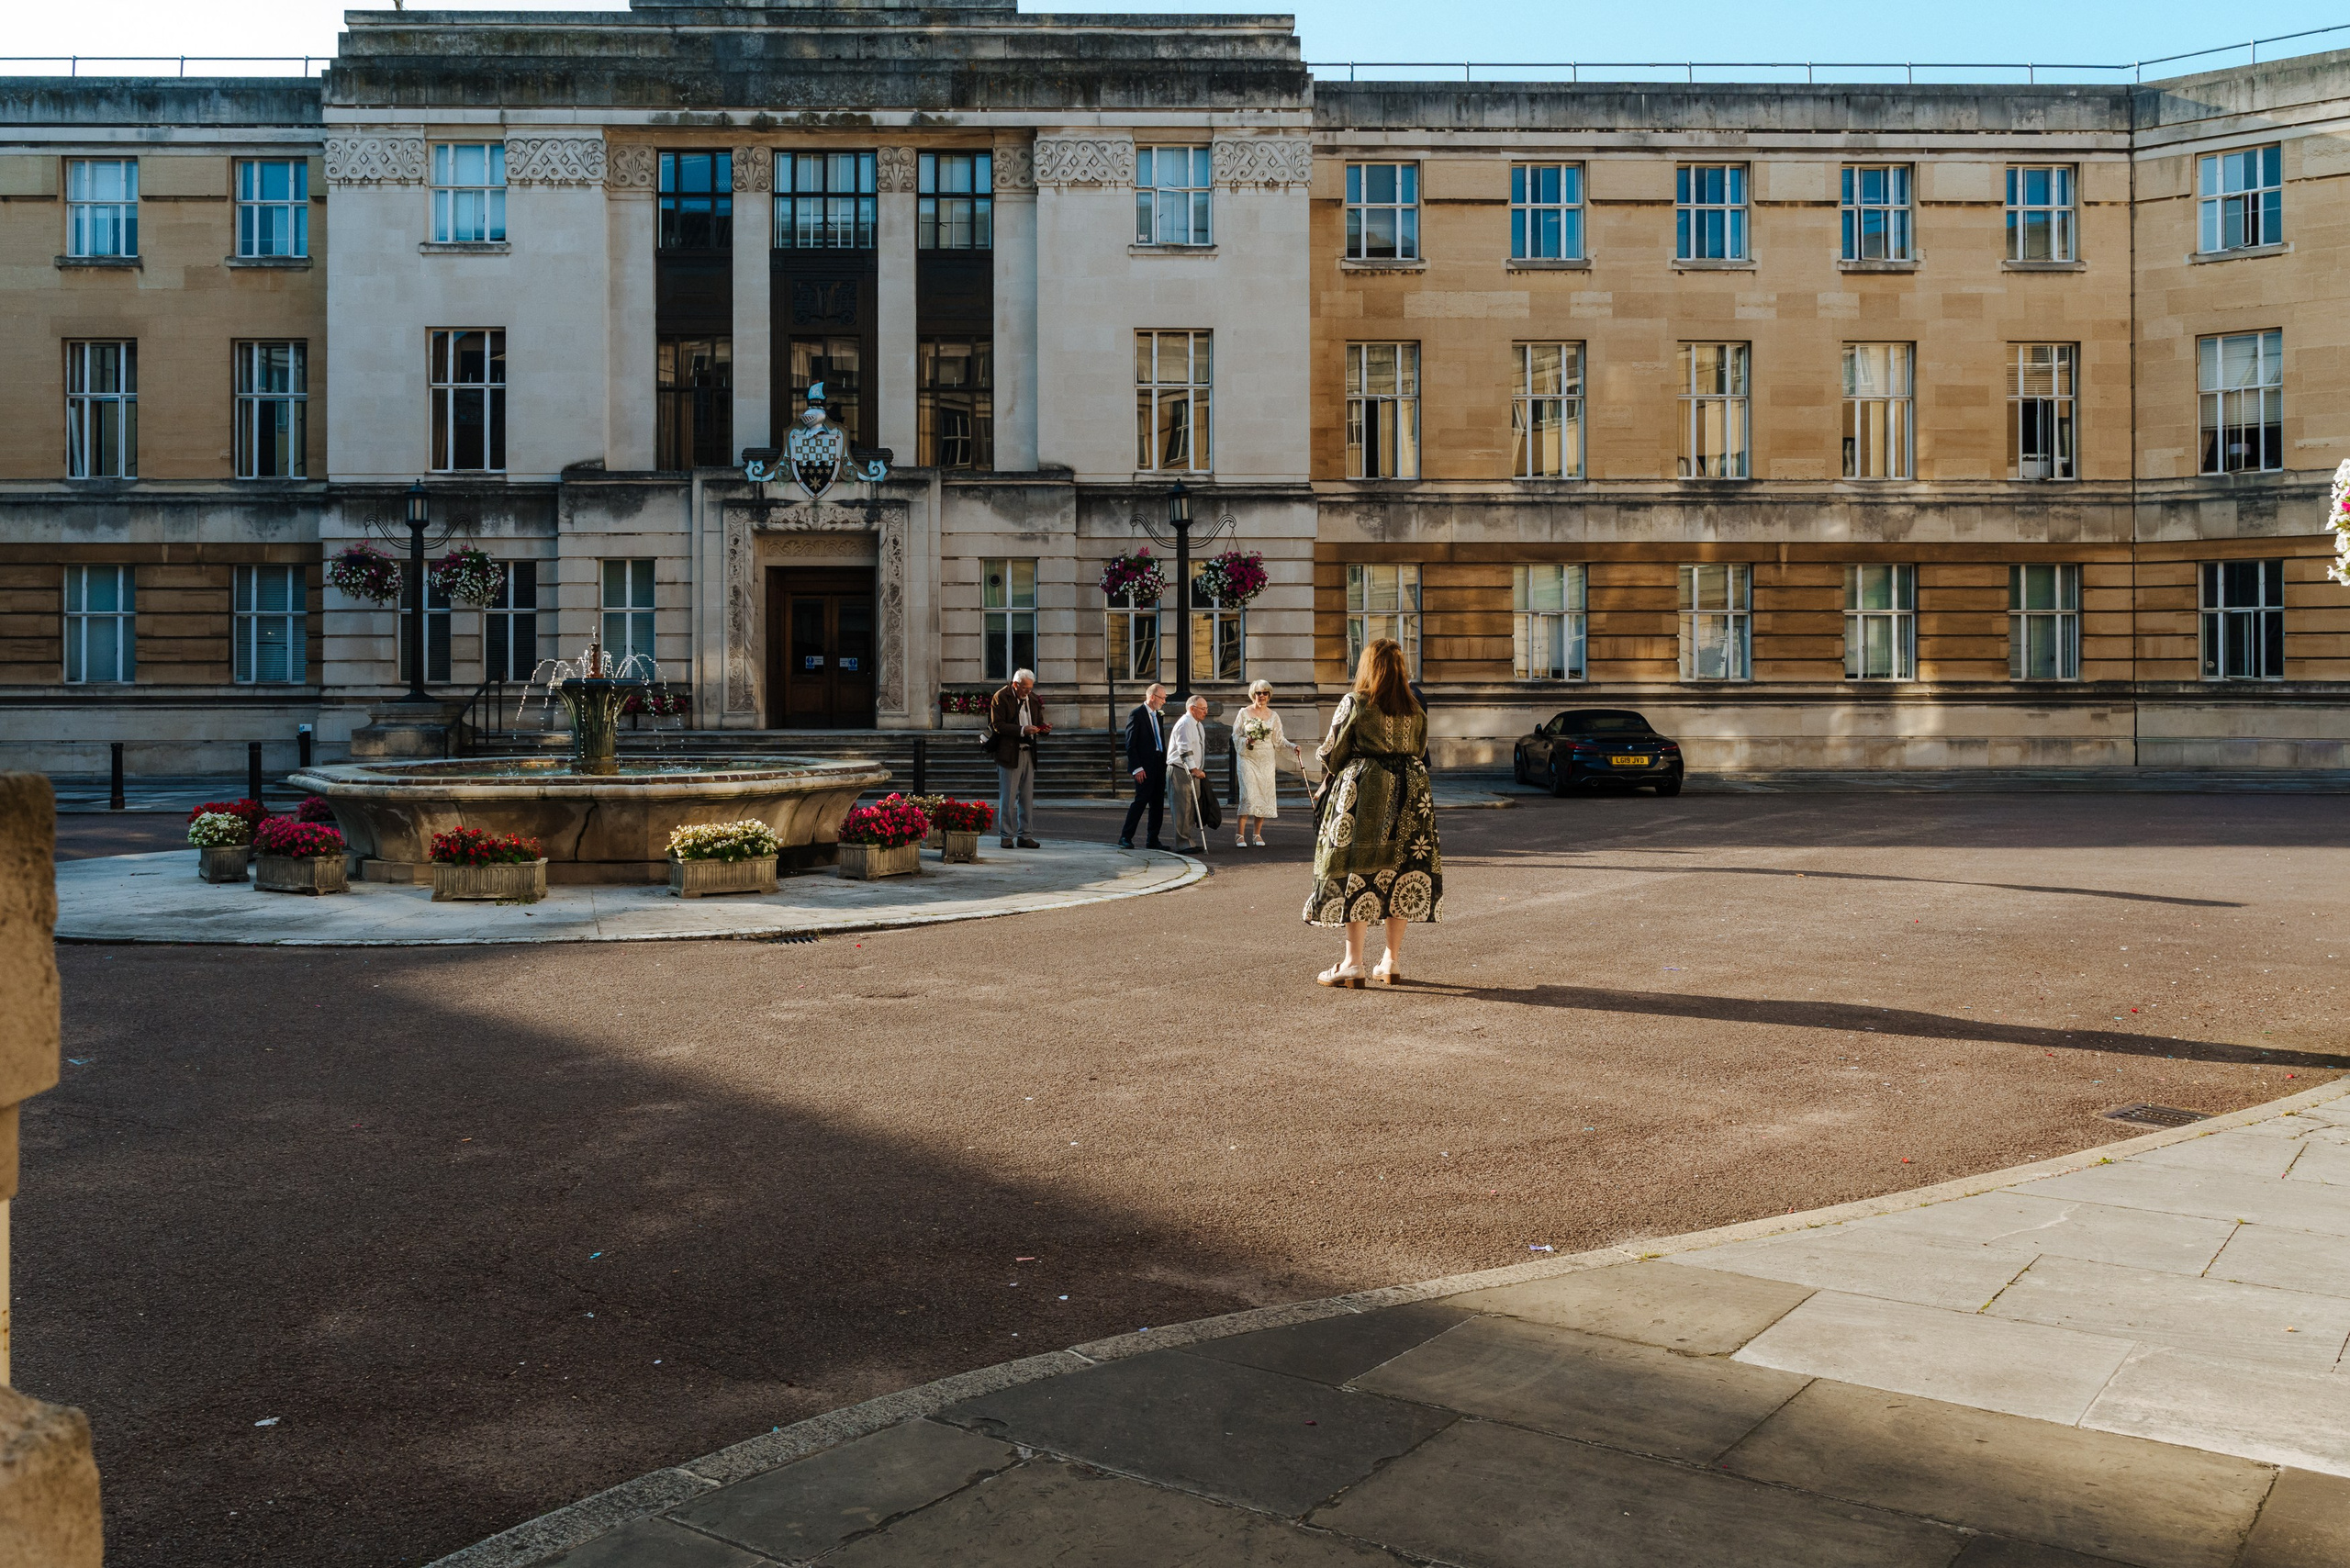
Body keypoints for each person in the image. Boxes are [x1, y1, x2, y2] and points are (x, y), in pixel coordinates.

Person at [1304, 638, 1442, 987]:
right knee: (1403, 870)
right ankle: (1391, 960)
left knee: (1358, 869)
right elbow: (1421, 748)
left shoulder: (1356, 702)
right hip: (1413, 790)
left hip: (1366, 790)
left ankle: (1353, 963)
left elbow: (1332, 753)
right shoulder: (1414, 706)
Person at [1230, 679, 1304, 848]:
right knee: (1248, 795)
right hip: (1247, 757)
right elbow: (1235, 736)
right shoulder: (1243, 713)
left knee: (1263, 795)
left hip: (1266, 759)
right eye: (1258, 693)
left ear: (1269, 695)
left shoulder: (1274, 716)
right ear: (1253, 694)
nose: (1261, 696)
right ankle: (1239, 835)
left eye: (1265, 693)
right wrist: (1247, 740)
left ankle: (1257, 834)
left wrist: (1293, 746)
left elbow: (1278, 739)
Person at [986, 667, 1044, 849]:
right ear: (1015, 684)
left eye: (1031, 688)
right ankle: (1006, 835)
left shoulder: (1033, 699)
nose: (1028, 691)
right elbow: (997, 725)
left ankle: (1025, 835)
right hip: (1009, 752)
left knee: (1027, 797)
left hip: (1028, 751)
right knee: (1008, 796)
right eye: (1025, 688)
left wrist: (1043, 728)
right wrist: (1021, 730)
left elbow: (1039, 720)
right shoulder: (1001, 697)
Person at [1119, 682, 1170, 849]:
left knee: (1157, 804)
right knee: (1140, 802)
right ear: (1152, 697)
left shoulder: (1158, 715)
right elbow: (1130, 744)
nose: (1164, 701)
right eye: (1162, 698)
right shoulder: (1137, 714)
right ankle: (1125, 836)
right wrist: (1137, 767)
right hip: (1144, 767)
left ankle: (1153, 839)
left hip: (1158, 764)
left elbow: (1159, 740)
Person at [1165, 693, 1212, 854]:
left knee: (1191, 807)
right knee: (1182, 808)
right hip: (1180, 770)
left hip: (1191, 771)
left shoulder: (1197, 724)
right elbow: (1184, 748)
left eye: (1206, 708)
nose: (1206, 712)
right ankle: (1182, 843)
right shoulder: (1185, 723)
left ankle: (1188, 840)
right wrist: (1194, 769)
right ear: (1192, 709)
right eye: (1203, 709)